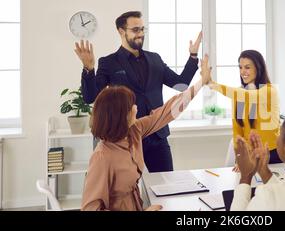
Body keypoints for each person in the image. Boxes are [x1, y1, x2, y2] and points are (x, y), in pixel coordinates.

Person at [74, 11, 202, 172]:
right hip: (126, 137)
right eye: (135, 30)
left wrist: (193, 56)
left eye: (142, 29)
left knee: (165, 184)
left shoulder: (155, 58)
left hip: (157, 135)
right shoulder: (108, 62)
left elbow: (180, 85)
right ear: (121, 31)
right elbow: (89, 97)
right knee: (127, 188)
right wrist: (89, 68)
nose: (141, 34)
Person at [80, 55, 211, 211]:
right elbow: (90, 208)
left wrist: (200, 83)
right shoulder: (102, 156)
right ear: (120, 115)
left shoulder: (135, 130)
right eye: (131, 106)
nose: (136, 108)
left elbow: (168, 111)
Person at [208, 50, 281, 167]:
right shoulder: (239, 94)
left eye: (247, 67)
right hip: (250, 155)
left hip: (271, 155)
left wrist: (213, 84)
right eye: (240, 67)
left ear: (259, 68)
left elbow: (249, 96)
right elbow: (238, 131)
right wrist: (240, 158)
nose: (243, 72)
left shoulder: (269, 91)